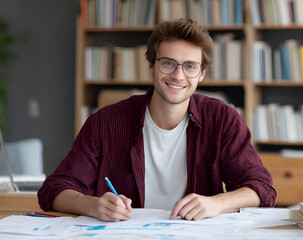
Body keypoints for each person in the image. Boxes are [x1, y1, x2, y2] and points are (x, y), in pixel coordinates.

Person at [38, 18, 276, 222]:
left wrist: (217, 203)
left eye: (190, 66)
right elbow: (54, 190)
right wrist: (93, 206)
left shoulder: (223, 120)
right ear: (152, 66)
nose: (178, 75)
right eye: (168, 63)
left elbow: (262, 189)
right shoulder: (106, 123)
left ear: (201, 74)